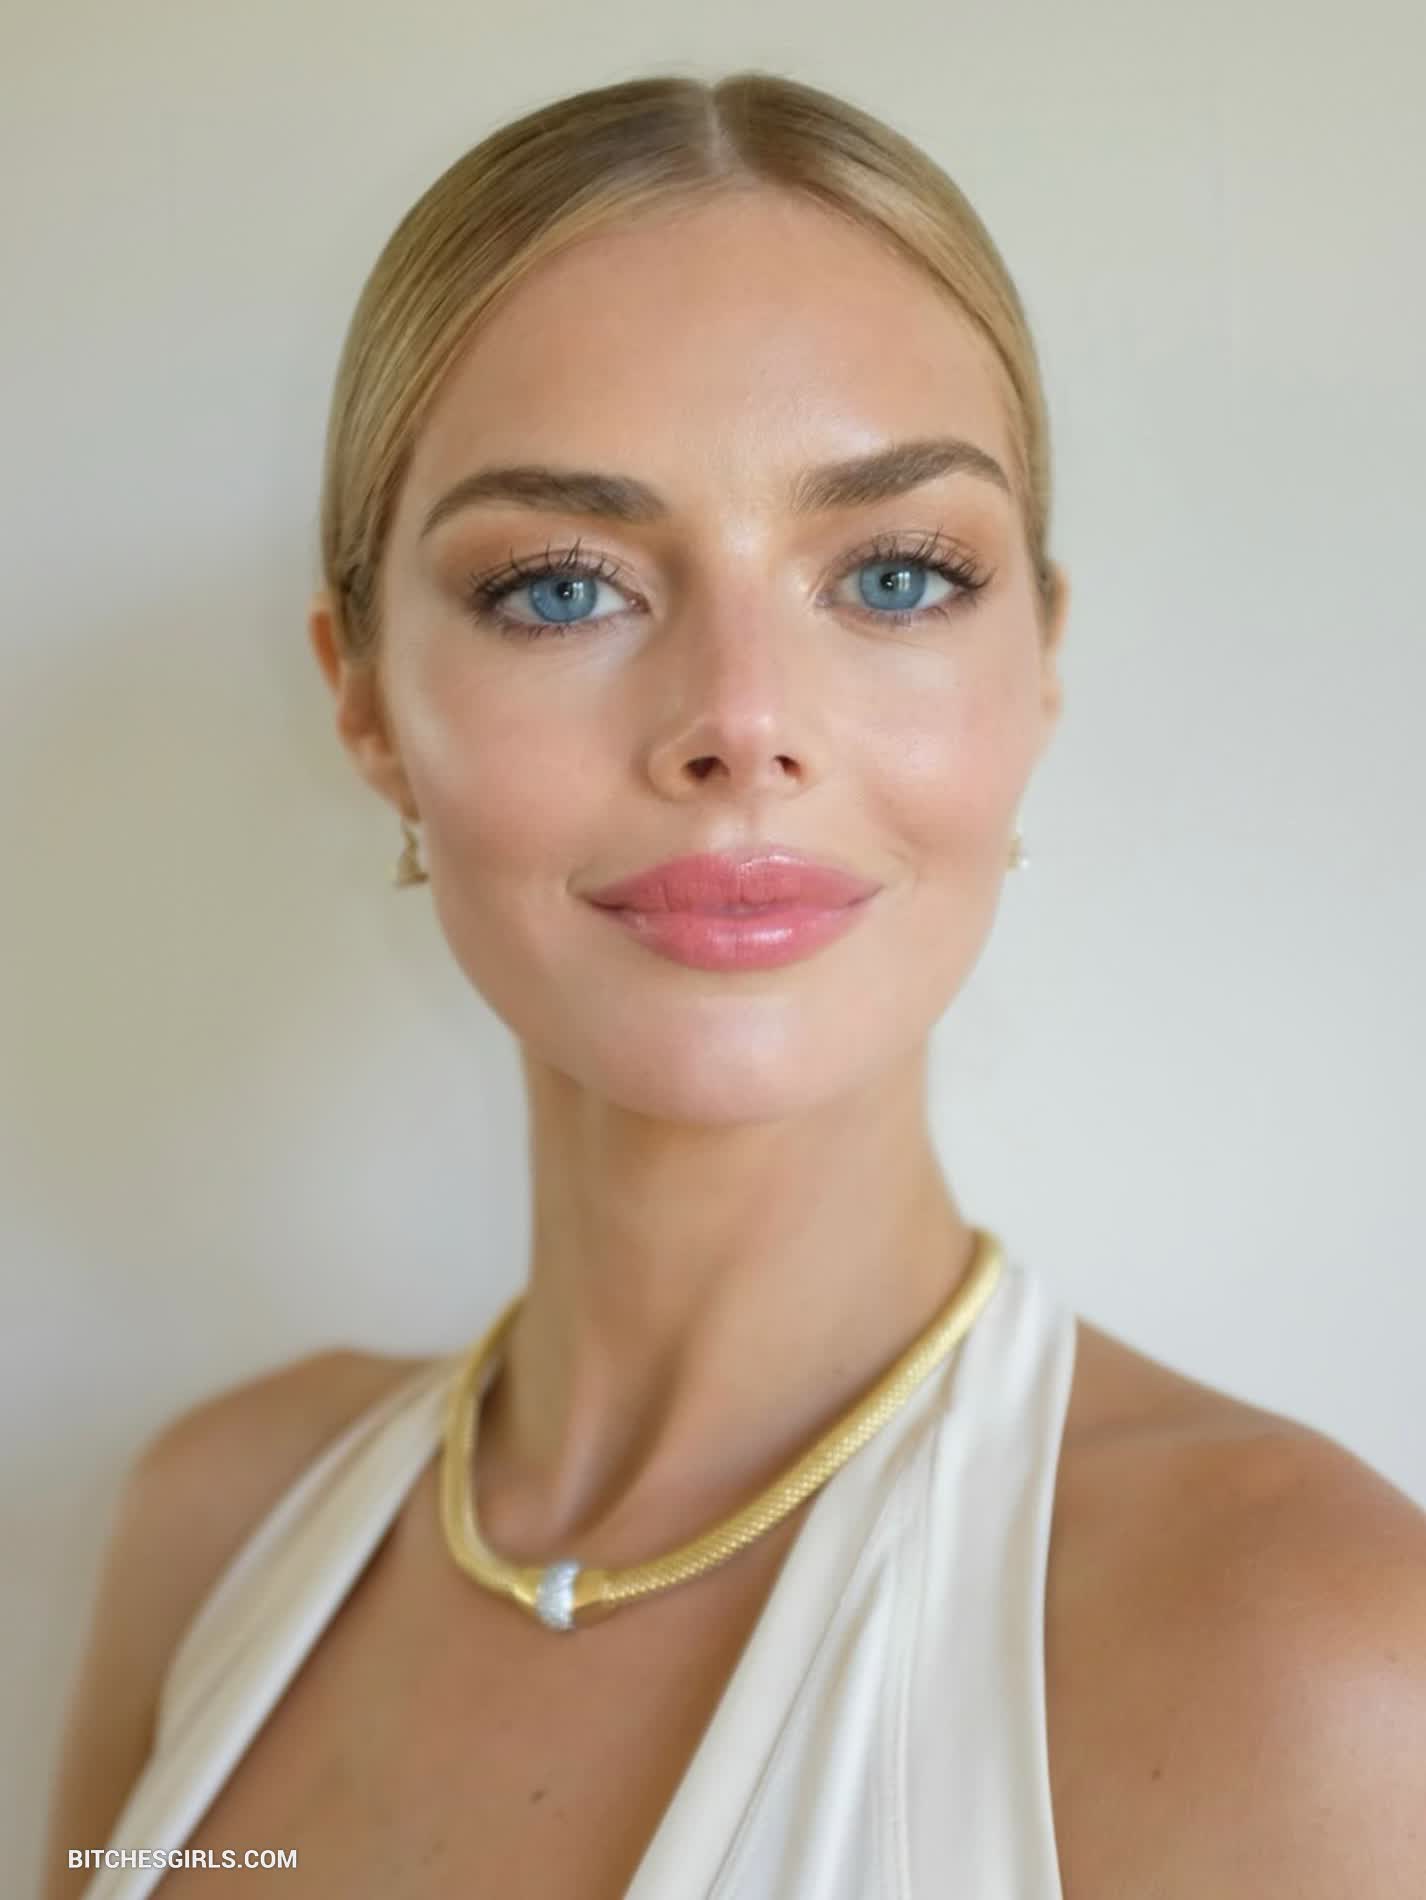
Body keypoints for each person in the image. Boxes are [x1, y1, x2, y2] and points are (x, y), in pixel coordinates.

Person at [42, 68, 1426, 1900]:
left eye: (896, 576)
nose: (743, 722)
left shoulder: (1309, 1654)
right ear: (365, 702)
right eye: (561, 588)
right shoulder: (206, 1525)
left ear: (1036, 667)